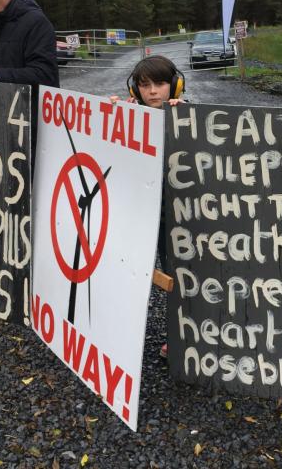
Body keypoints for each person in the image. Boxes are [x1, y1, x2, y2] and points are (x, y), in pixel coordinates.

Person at [125, 55, 186, 360]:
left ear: (174, 86)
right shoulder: (127, 115)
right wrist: (110, 115)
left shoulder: (188, 116)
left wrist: (185, 118)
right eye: (144, 85)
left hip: (175, 215)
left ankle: (182, 334)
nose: (153, 92)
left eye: (161, 84)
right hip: (140, 212)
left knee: (180, 275)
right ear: (135, 90)